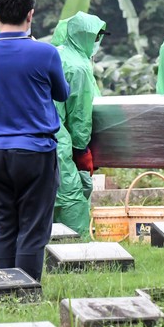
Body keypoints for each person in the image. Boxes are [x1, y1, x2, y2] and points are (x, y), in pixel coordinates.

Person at [0, 0, 69, 281]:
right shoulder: (45, 53)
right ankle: (25, 291)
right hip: (36, 151)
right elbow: (62, 93)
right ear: (31, 15)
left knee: (2, 226)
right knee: (33, 227)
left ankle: (0, 290)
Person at [51, 12, 109, 237]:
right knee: (72, 200)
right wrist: (81, 150)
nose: (98, 43)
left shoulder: (56, 55)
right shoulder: (79, 67)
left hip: (34, 138)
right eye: (96, 37)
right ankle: (77, 255)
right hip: (59, 142)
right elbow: (79, 116)